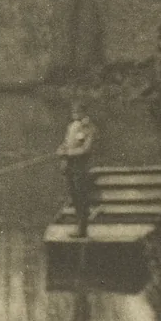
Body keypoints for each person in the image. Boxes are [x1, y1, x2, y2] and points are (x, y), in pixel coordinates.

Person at [57, 101, 97, 238]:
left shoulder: (88, 127)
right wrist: (62, 151)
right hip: (70, 166)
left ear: (84, 112)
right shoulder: (71, 126)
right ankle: (79, 226)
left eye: (78, 111)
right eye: (73, 111)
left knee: (81, 196)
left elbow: (86, 149)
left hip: (81, 166)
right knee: (73, 196)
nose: (75, 114)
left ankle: (82, 229)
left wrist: (68, 153)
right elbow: (67, 143)